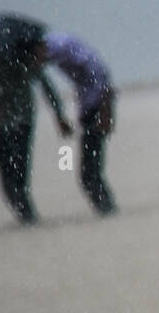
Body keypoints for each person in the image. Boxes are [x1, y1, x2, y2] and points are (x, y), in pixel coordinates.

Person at [0, 50, 72, 223]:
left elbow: (46, 86)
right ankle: (24, 213)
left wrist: (59, 115)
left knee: (19, 171)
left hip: (22, 121)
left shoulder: (26, 58)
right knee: (7, 174)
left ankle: (27, 214)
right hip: (1, 121)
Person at [33, 32, 118, 215]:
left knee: (89, 174)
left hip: (96, 107)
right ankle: (107, 211)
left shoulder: (62, 47)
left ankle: (108, 213)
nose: (37, 63)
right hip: (89, 108)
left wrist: (106, 112)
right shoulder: (55, 52)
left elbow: (99, 71)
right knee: (90, 173)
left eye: (36, 57)